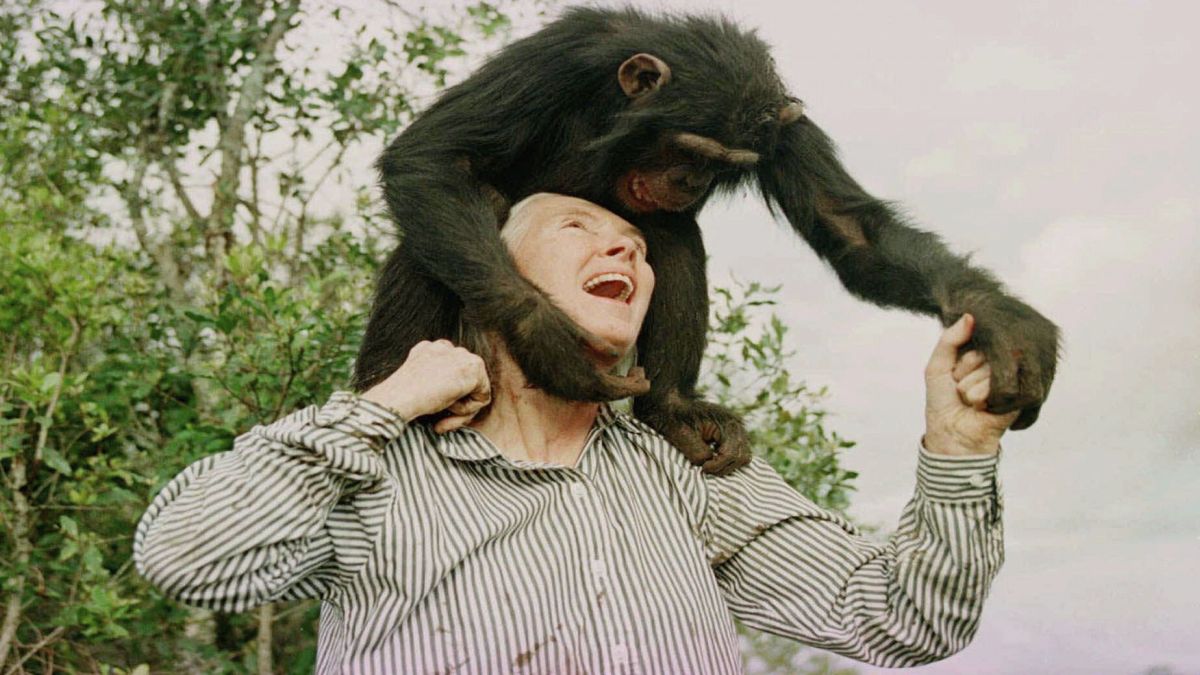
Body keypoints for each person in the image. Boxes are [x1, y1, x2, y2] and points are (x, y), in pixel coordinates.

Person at [135, 193, 1017, 674]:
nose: (627, 253)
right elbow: (186, 555)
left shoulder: (687, 473)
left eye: (636, 245)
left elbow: (905, 621)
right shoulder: (380, 467)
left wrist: (960, 447)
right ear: (488, 277)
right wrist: (383, 403)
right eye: (579, 229)